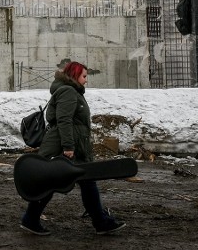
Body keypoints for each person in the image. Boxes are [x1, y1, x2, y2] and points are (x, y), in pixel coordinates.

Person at [20, 61, 126, 236]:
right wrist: (68, 147)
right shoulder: (68, 92)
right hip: (67, 148)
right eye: (84, 76)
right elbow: (64, 120)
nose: (86, 80)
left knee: (84, 183)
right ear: (75, 75)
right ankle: (31, 219)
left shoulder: (70, 91)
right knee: (53, 184)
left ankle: (99, 221)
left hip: (76, 147)